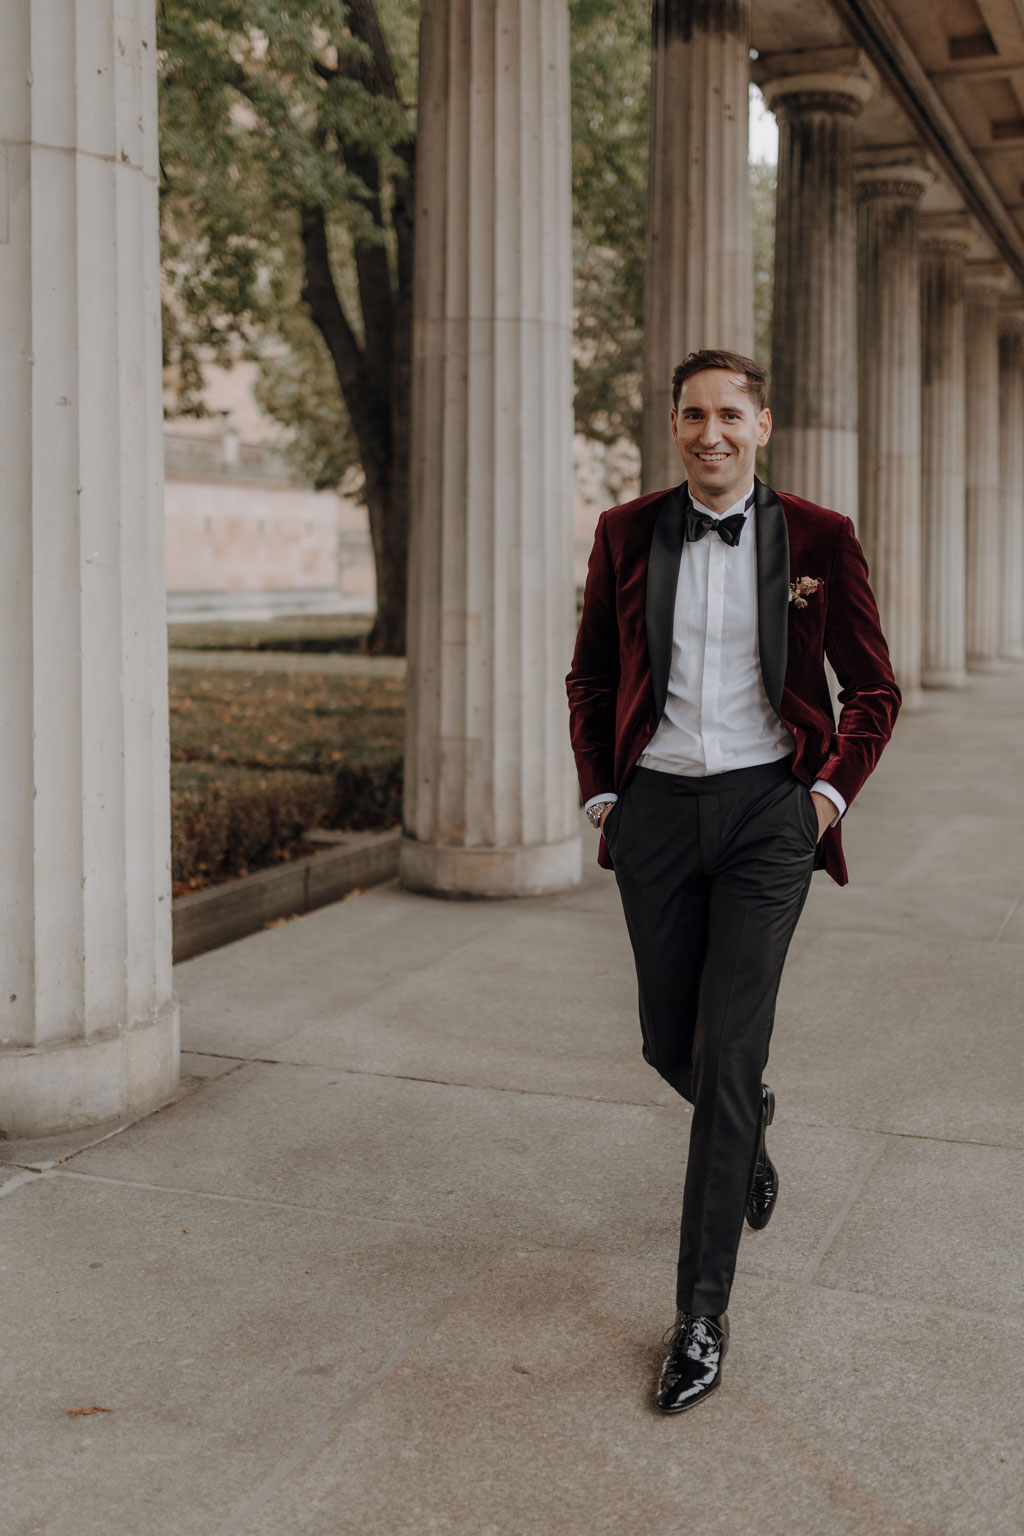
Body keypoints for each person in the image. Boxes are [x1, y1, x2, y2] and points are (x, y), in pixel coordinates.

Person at [565, 349, 900, 1414]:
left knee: (723, 1052)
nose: (709, 432)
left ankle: (699, 1314)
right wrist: (604, 798)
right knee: (673, 1045)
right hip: (655, 812)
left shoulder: (819, 537)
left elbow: (873, 688)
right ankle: (749, 1119)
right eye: (691, 415)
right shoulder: (625, 533)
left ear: (762, 424)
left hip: (767, 813)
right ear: (674, 426)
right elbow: (591, 675)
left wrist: (823, 800)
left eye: (729, 415)